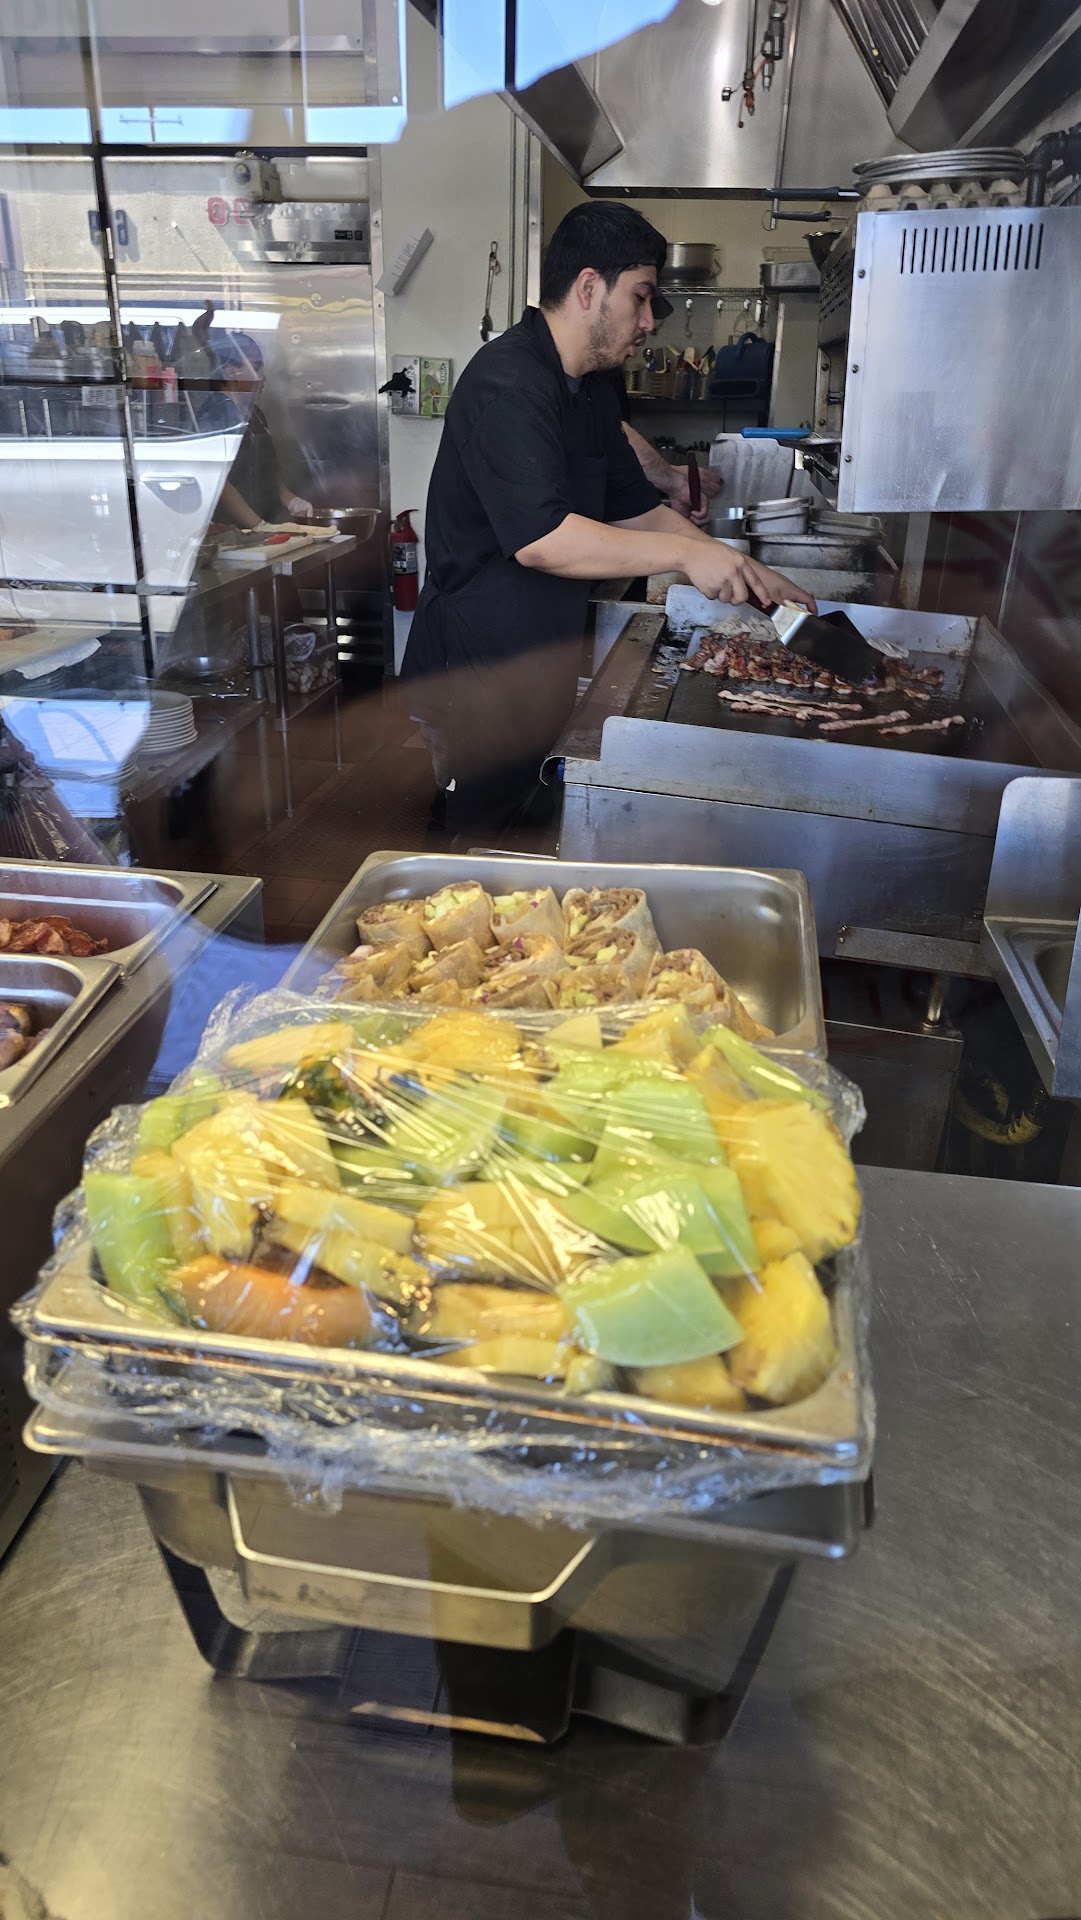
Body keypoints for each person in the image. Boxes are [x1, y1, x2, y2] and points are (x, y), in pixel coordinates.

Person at [401, 201, 813, 839]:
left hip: (538, 654)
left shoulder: (589, 388)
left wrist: (744, 568)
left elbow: (639, 510)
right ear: (590, 287)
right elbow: (543, 541)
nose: (650, 321)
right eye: (641, 298)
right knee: (480, 839)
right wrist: (688, 556)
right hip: (479, 664)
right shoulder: (507, 383)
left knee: (530, 827)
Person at [204, 336, 313, 531]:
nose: (263, 377)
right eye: (256, 368)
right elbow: (219, 483)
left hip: (261, 526)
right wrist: (259, 526)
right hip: (230, 532)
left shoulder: (255, 415)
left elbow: (265, 472)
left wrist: (292, 501)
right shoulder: (215, 415)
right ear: (231, 372)